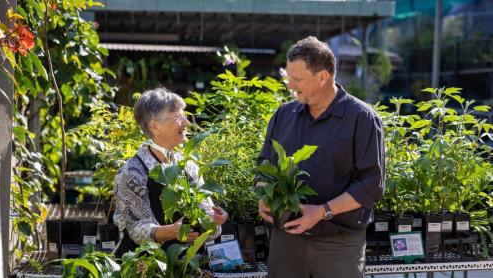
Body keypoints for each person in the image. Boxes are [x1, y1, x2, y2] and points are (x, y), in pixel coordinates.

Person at [257, 36, 385, 277]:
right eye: (289, 78)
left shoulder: (362, 119)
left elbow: (371, 185)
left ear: (323, 77)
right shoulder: (284, 115)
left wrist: (321, 211)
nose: (290, 85)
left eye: (298, 79)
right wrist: (264, 195)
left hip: (337, 246)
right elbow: (264, 165)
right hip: (287, 244)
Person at [113, 87, 228, 257]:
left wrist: (214, 220)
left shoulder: (189, 166)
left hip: (186, 264)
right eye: (178, 117)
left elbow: (209, 222)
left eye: (184, 116)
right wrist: (171, 231)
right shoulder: (133, 171)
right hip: (147, 267)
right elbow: (137, 230)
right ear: (154, 126)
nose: (186, 123)